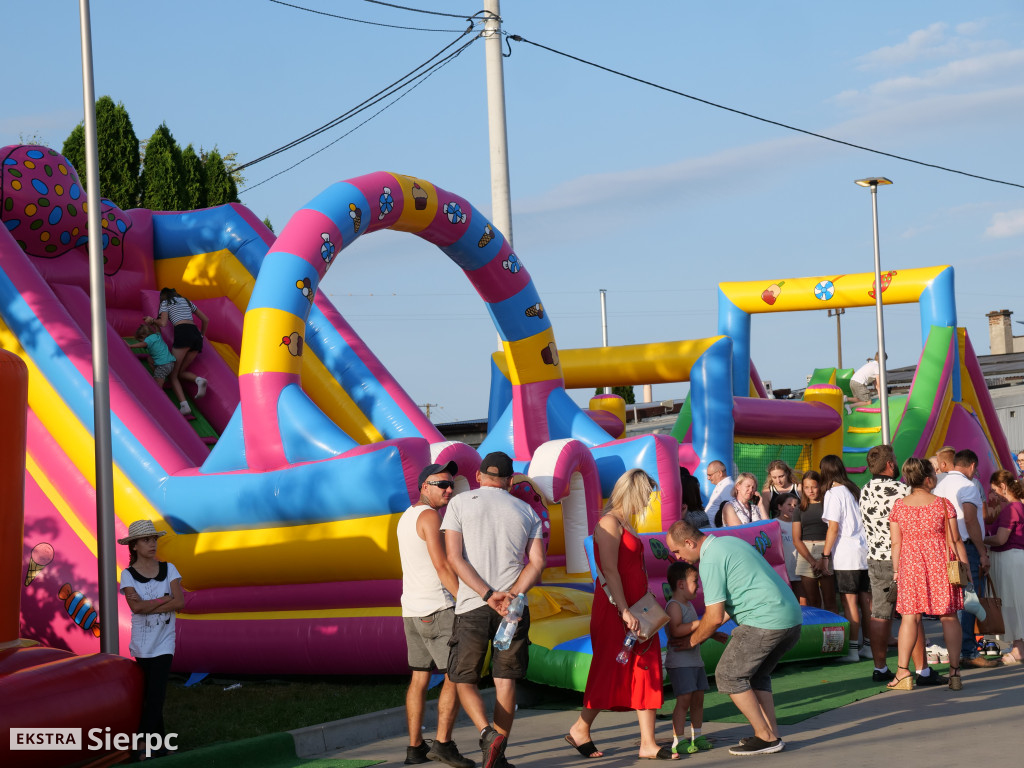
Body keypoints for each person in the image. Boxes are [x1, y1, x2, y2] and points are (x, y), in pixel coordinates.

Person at [442, 452, 545, 768]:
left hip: (474, 604)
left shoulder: (459, 504)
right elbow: (537, 564)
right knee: (506, 681)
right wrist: (510, 595)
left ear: (479, 477)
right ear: (511, 481)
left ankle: (488, 734)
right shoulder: (528, 511)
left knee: (462, 677)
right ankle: (496, 757)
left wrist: (488, 594)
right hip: (512, 609)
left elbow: (454, 558)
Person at [666, 519, 802, 756]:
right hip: (791, 619)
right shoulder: (728, 543)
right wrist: (704, 631)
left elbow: (715, 616)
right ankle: (771, 733)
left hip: (765, 620)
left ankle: (766, 737)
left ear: (689, 542)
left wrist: (692, 641)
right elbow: (733, 602)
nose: (678, 557)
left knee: (728, 675)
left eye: (677, 551)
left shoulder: (710, 560)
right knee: (757, 675)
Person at [565, 470, 670, 761]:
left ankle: (647, 743)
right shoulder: (609, 522)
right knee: (611, 669)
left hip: (635, 608)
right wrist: (624, 610)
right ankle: (581, 728)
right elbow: (609, 570)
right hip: (617, 609)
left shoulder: (625, 523)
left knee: (645, 667)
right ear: (632, 492)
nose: (649, 500)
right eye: (646, 494)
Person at [398, 461, 473, 768]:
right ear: (424, 486)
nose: (449, 489)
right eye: (442, 484)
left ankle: (415, 748)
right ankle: (442, 743)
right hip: (438, 609)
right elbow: (442, 566)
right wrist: (465, 600)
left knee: (419, 678)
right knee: (456, 676)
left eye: (451, 484)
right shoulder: (430, 516)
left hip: (412, 610)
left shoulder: (407, 516)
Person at [858, 445, 942, 685]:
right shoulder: (902, 490)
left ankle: (880, 667)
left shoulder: (865, 490)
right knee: (911, 617)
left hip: (875, 557)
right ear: (890, 465)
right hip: (903, 559)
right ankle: (922, 670)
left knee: (880, 615)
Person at [887, 458, 969, 690]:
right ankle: (954, 673)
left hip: (910, 565)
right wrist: (965, 568)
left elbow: (896, 543)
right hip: (941, 563)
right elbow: (955, 540)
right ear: (928, 479)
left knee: (910, 617)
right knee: (949, 616)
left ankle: (903, 672)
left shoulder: (899, 507)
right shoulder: (943, 504)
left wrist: (896, 571)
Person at [118, 520, 184, 761]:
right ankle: (161, 746)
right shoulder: (128, 575)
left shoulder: (170, 569)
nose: (152, 544)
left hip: (164, 642)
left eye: (154, 539)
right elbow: (136, 608)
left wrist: (151, 605)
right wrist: (162, 599)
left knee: (156, 695)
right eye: (146, 540)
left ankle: (139, 746)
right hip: (142, 644)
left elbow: (179, 602)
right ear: (134, 546)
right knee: (149, 696)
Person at [933, 449, 999, 669]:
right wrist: (982, 552)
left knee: (953, 601)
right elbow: (971, 520)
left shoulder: (939, 485)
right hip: (966, 547)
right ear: (972, 465)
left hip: (943, 548)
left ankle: (957, 650)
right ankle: (968, 651)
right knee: (969, 599)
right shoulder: (968, 486)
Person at [819, 454, 870, 663]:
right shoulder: (853, 489)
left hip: (847, 554)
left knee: (849, 604)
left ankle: (852, 650)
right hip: (864, 552)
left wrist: (825, 555)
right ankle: (869, 646)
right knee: (866, 602)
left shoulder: (833, 493)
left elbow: (833, 527)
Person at [665, 561, 714, 756]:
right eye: (695, 581)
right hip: (680, 663)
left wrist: (710, 633)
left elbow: (697, 630)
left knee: (698, 700)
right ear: (681, 584)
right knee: (683, 700)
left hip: (695, 661)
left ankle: (698, 735)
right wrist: (699, 623)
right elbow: (676, 630)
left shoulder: (689, 605)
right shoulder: (674, 606)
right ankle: (678, 740)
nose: (698, 585)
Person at [146, 287, 210, 416]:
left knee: (172, 375)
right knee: (180, 372)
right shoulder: (185, 301)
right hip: (196, 335)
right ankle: (199, 380)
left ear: (163, 296)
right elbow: (206, 319)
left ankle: (184, 405)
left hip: (183, 332)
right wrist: (201, 335)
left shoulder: (165, 302)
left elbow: (163, 323)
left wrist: (152, 320)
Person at [985, 470, 1024, 665]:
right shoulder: (1019, 507)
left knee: (1012, 604)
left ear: (1004, 487)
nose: (993, 495)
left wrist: (980, 539)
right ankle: (1019, 645)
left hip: (1009, 559)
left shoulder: (1011, 509)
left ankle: (1018, 648)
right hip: (1015, 558)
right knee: (1017, 603)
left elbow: (1001, 539)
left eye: (994, 490)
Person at [791, 471, 837, 612]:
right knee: (813, 601)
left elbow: (833, 530)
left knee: (830, 601)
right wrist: (812, 561)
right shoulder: (799, 509)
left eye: (814, 486)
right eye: (806, 487)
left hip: (826, 550)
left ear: (820, 486)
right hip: (806, 554)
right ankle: (817, 632)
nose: (810, 490)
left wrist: (824, 557)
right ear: (802, 488)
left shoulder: (828, 505)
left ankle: (834, 632)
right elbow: (796, 539)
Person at [126, 320, 177, 393]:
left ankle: (159, 393)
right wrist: (154, 323)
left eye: (140, 340)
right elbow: (158, 329)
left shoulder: (148, 340)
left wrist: (131, 346)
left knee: (157, 388)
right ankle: (161, 379)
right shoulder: (157, 335)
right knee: (149, 359)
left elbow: (143, 344)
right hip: (171, 363)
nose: (141, 342)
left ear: (143, 336)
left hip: (163, 366)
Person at [769, 492, 801, 600]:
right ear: (779, 506)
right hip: (781, 573)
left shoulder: (799, 524)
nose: (793, 508)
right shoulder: (773, 524)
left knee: (802, 602)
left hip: (798, 570)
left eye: (795, 505)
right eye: (789, 504)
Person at [704, 461, 734, 527]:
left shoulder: (727, 486)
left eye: (710, 475)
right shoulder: (722, 485)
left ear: (720, 473)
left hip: (716, 530)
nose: (708, 478)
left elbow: (730, 511)